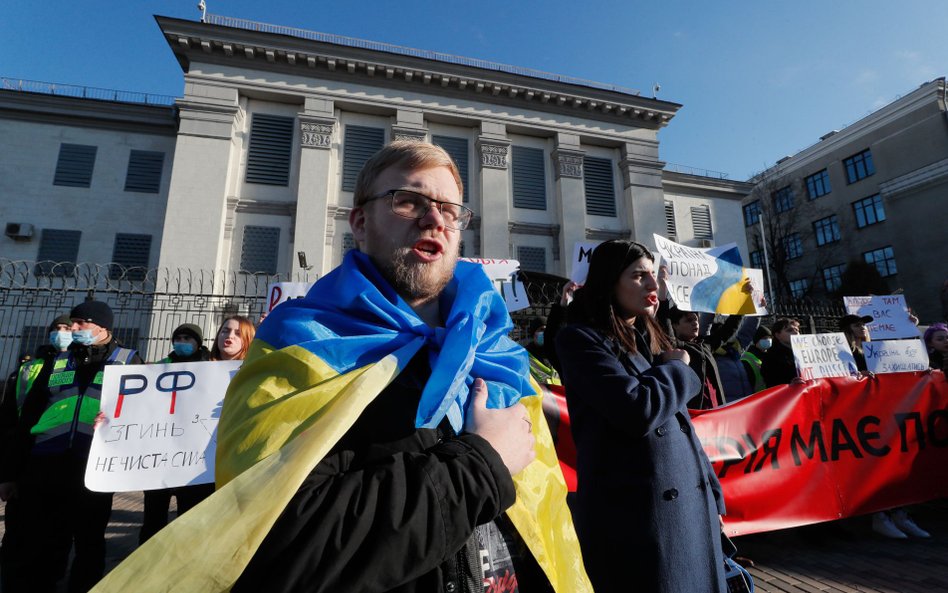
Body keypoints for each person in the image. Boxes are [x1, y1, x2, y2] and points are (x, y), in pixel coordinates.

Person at [555, 239, 727, 593]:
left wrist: (712, 493)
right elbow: (637, 410)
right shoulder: (580, 340)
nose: (653, 285)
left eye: (652, 274)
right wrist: (678, 369)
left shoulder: (650, 337)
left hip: (689, 511)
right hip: (638, 519)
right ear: (608, 281)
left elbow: (682, 427)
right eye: (638, 276)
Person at [0, 300, 141, 593]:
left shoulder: (129, 362)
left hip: (93, 469)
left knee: (90, 542)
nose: (73, 328)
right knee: (44, 540)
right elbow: (28, 418)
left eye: (81, 323)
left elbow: (142, 415)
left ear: (103, 327)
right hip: (45, 466)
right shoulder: (59, 361)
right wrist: (11, 474)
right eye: (72, 322)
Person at [837, 313, 930, 539]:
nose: (864, 329)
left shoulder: (875, 350)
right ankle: (880, 516)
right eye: (858, 325)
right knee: (873, 467)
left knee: (893, 464)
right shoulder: (844, 354)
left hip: (885, 412)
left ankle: (900, 514)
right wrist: (856, 377)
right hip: (861, 418)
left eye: (865, 325)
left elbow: (901, 359)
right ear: (847, 330)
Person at [0, 314, 73, 591]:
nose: (62, 332)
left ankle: (48, 578)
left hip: (54, 451)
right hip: (23, 449)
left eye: (67, 328)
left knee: (54, 530)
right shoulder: (28, 367)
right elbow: (9, 413)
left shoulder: (69, 367)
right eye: (58, 328)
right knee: (18, 529)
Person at [138, 322, 214, 543]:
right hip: (161, 453)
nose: (181, 343)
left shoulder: (210, 368)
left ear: (198, 343)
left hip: (193, 457)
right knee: (153, 517)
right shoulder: (160, 367)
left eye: (187, 339)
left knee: (188, 516)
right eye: (178, 339)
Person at [760, 317, 801, 387]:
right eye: (789, 330)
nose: (796, 332)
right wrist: (789, 385)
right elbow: (772, 383)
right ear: (777, 335)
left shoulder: (804, 353)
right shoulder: (771, 357)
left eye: (797, 329)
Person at [525, 317, 560, 385]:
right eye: (542, 329)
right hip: (539, 394)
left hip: (559, 394)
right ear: (533, 333)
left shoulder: (557, 353)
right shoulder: (523, 355)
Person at [741, 325, 772, 394]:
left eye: (770, 338)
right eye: (765, 338)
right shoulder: (747, 357)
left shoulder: (770, 355)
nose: (768, 340)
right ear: (756, 340)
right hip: (757, 397)